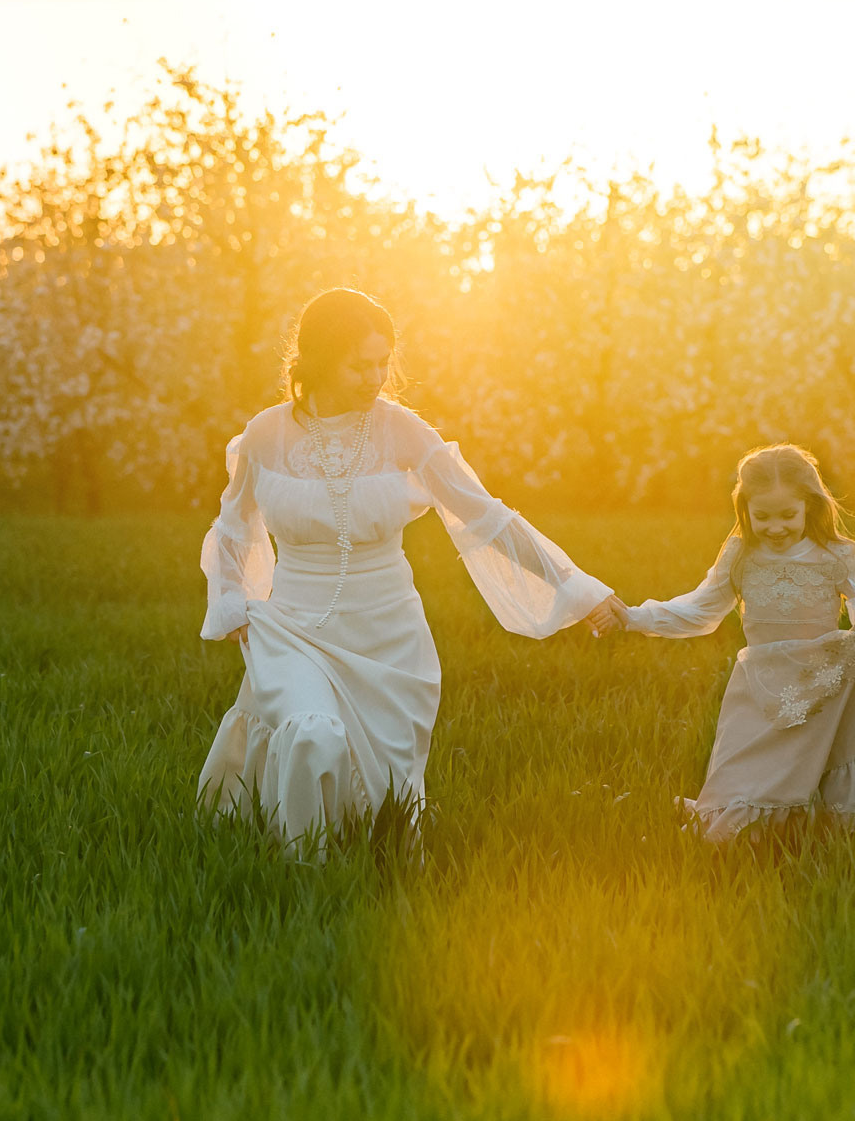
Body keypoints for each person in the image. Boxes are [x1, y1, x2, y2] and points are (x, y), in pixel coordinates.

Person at [198, 287, 627, 847]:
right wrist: (232, 599)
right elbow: (233, 524)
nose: (376, 377)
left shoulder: (401, 430)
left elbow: (486, 516)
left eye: (384, 362)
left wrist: (576, 587)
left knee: (388, 810)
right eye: (361, 365)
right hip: (293, 626)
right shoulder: (266, 434)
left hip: (388, 635)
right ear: (321, 360)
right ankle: (303, 873)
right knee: (312, 736)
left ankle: (366, 865)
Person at [614, 443, 855, 842]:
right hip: (760, 688)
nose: (775, 527)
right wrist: (633, 616)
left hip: (823, 684)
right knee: (743, 773)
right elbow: (700, 609)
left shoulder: (835, 555)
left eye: (787, 515)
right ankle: (727, 828)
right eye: (762, 516)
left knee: (813, 768)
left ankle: (813, 835)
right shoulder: (741, 555)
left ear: (808, 507)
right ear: (744, 509)